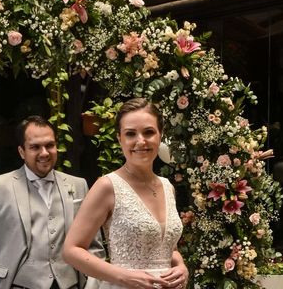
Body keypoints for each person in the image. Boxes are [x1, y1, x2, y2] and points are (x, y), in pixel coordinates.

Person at [63, 98, 189, 289]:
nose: (141, 141)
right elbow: (71, 250)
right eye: (130, 134)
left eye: (149, 132)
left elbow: (166, 248)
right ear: (119, 138)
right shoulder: (108, 186)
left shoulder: (167, 186)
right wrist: (124, 276)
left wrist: (181, 265)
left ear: (160, 135)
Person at [0, 115, 104, 289]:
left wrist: (92, 286)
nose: (44, 153)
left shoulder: (78, 185)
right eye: (35, 147)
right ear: (22, 152)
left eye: (49, 145)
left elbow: (94, 245)